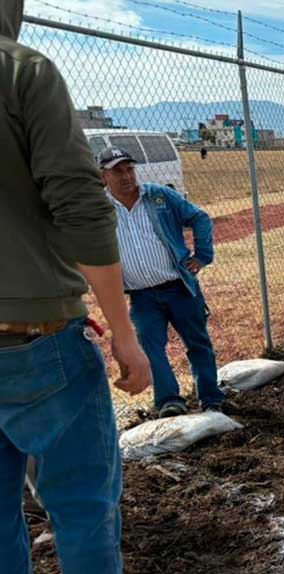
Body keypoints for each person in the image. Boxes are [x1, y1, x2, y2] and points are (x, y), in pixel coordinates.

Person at [1, 3, 191, 574]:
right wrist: (125, 333)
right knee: (82, 507)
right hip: (34, 337)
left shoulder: (166, 202)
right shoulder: (21, 70)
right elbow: (80, 206)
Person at [99, 147, 224, 418]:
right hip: (141, 297)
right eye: (117, 171)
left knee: (198, 342)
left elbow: (199, 218)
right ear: (103, 177)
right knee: (151, 349)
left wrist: (201, 256)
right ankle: (170, 402)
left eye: (129, 169)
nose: (126, 176)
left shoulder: (159, 196)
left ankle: (212, 398)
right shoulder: (100, 209)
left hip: (179, 287)